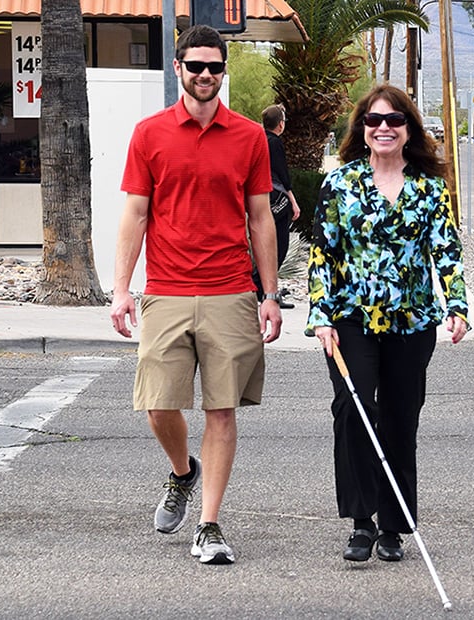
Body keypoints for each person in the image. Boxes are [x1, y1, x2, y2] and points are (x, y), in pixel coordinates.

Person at [110, 24, 282, 565]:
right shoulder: (149, 134)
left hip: (232, 291)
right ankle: (183, 472)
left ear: (223, 71)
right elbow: (135, 215)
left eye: (214, 66)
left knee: (222, 411)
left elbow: (261, 217)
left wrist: (270, 294)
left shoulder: (250, 136)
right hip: (165, 289)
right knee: (158, 404)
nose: (205, 75)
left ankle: (209, 525)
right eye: (195, 66)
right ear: (179, 68)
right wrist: (121, 290)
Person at [306, 84, 469, 563]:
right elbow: (323, 253)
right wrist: (320, 314)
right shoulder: (340, 183)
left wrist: (457, 305)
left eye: (394, 120)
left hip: (411, 323)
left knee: (400, 419)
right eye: (374, 120)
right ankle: (361, 522)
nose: (383, 128)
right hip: (350, 319)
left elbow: (446, 251)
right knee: (354, 411)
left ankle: (394, 525)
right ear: (362, 128)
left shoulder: (429, 188)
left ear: (408, 129)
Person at [253, 103, 301, 309]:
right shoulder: (275, 143)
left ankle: (261, 286)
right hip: (276, 197)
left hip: (261, 197)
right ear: (280, 125)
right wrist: (292, 199)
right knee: (279, 245)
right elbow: (282, 174)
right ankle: (262, 287)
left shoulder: (257, 140)